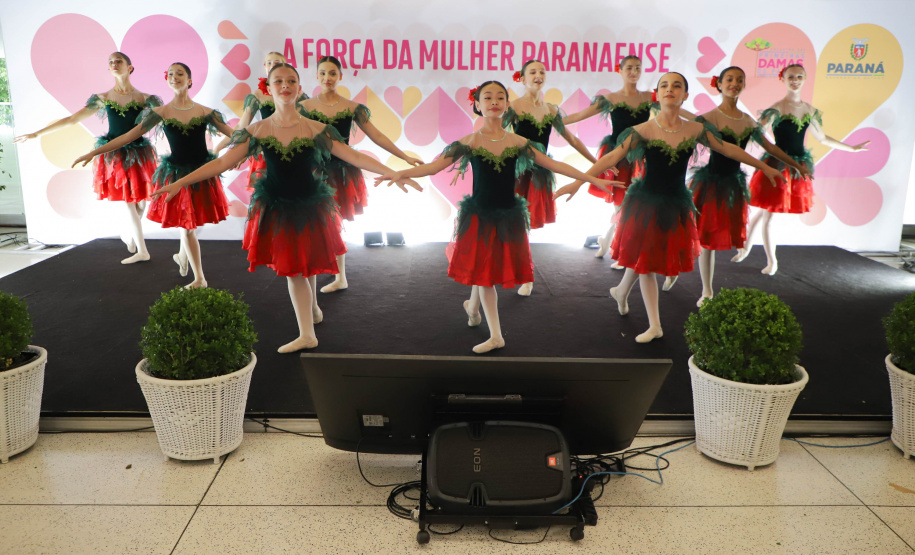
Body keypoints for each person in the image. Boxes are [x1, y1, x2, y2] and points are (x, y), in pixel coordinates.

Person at [151, 64, 421, 353]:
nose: (285, 85)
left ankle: (308, 333)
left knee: (300, 267)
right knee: (297, 268)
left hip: (311, 207)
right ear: (268, 87)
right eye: (278, 80)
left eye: (291, 80)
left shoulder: (315, 128)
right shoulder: (259, 129)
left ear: (300, 88)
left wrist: (394, 171)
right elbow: (221, 163)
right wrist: (181, 182)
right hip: (279, 209)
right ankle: (312, 314)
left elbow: (352, 155)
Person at [375, 81, 618, 354]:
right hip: (478, 217)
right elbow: (433, 167)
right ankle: (486, 324)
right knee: (484, 272)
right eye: (487, 97)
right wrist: (400, 173)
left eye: (500, 97)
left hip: (507, 218)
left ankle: (482, 321)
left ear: (506, 105)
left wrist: (589, 177)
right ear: (477, 105)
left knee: (485, 272)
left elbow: (554, 164)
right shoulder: (469, 141)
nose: (494, 101)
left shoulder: (518, 141)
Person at [555, 72, 783, 343]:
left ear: (686, 95)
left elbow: (731, 150)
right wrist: (581, 181)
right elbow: (614, 156)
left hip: (676, 204)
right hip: (645, 204)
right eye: (664, 85)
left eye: (677, 86)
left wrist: (765, 166)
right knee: (647, 265)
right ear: (657, 94)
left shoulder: (695, 129)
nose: (670, 89)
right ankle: (655, 325)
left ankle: (620, 291)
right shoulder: (643, 130)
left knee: (647, 259)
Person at [73, 62, 235, 289]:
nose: (174, 77)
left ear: (189, 80)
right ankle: (199, 278)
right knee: (187, 227)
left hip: (202, 175)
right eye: (170, 74)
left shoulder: (206, 112)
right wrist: (94, 151)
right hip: (176, 176)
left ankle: (184, 258)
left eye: (180, 74)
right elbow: (128, 136)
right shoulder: (160, 112)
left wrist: (237, 155)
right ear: (166, 80)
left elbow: (238, 136)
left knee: (192, 224)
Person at [677, 66, 809, 305]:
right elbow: (686, 128)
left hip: (733, 187)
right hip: (710, 185)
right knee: (703, 239)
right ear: (719, 84)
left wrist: (796, 165)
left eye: (739, 79)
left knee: (714, 240)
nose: (734, 83)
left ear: (744, 85)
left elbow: (771, 148)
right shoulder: (710, 118)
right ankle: (703, 289)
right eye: (729, 79)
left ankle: (706, 289)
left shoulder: (747, 120)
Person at [15, 52, 160, 264]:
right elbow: (72, 119)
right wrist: (37, 133)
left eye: (118, 61)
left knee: (140, 204)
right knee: (129, 201)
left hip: (139, 152)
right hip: (114, 153)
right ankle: (142, 250)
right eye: (110, 62)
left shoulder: (145, 99)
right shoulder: (104, 99)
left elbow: (168, 117)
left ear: (130, 67)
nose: (114, 64)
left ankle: (130, 235)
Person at [300, 56, 423, 293]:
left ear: (340, 76)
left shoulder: (351, 107)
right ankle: (314, 275)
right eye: (323, 73)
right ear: (316, 76)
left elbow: (377, 135)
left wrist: (403, 157)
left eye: (333, 73)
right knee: (315, 225)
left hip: (342, 172)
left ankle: (340, 276)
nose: (328, 78)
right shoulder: (304, 108)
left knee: (335, 225)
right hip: (312, 171)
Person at [739, 63, 869, 275]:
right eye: (791, 76)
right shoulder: (777, 108)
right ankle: (771, 261)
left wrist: (851, 148)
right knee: (768, 213)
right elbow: (756, 132)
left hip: (797, 166)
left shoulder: (809, 110)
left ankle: (747, 249)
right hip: (776, 165)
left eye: (799, 76)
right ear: (783, 79)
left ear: (805, 78)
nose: (795, 80)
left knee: (766, 212)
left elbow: (823, 138)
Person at [563, 56, 692, 264]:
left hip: (640, 157)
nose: (634, 71)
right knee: (622, 206)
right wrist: (556, 120)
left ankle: (609, 241)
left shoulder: (649, 97)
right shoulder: (612, 98)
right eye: (629, 68)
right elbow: (581, 115)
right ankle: (618, 247)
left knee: (628, 206)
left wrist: (708, 122)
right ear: (620, 71)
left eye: (637, 68)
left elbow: (679, 111)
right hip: (617, 157)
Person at [503, 59, 598, 296]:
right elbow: (497, 134)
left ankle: (525, 273)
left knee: (524, 223)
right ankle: (512, 267)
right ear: (522, 78)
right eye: (532, 72)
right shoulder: (512, 106)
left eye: (542, 72)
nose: (538, 75)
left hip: (539, 173)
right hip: (516, 170)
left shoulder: (552, 110)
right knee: (512, 222)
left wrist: (596, 163)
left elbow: (572, 140)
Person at [214, 52, 308, 192]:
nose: (272, 66)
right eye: (269, 63)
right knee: (266, 200)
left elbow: (308, 124)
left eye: (277, 63)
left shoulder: (296, 93)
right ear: (264, 67)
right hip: (266, 151)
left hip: (292, 150)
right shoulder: (258, 94)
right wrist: (217, 149)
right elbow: (242, 126)